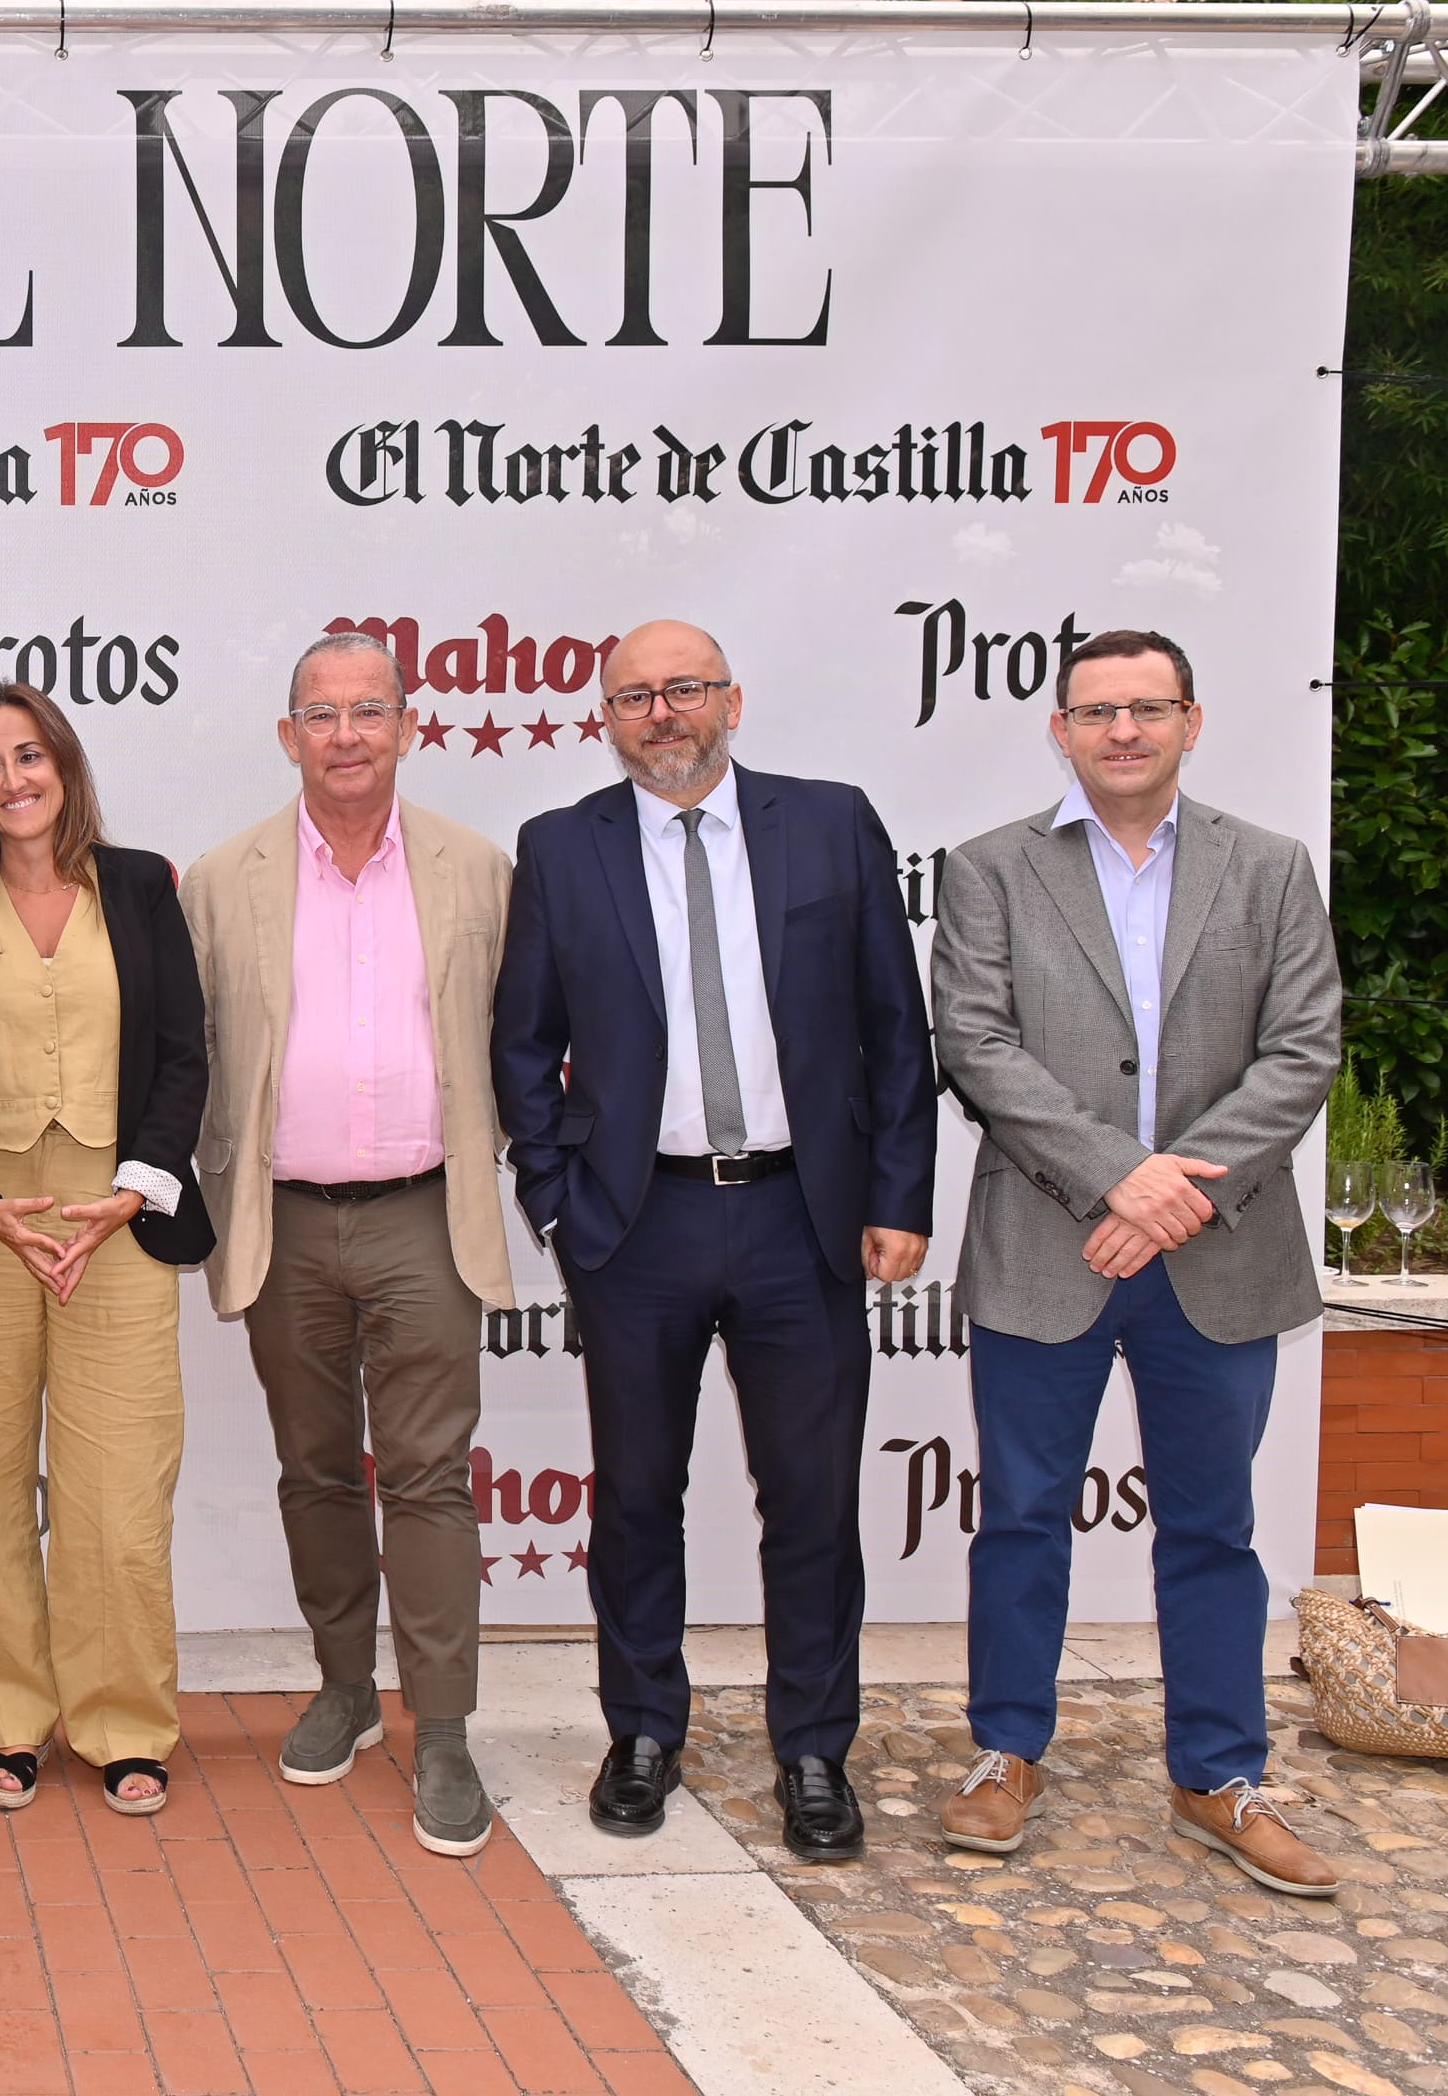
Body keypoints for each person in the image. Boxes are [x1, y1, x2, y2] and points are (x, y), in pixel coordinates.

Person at [490, 619, 937, 1862]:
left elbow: (894, 1029)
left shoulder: (828, 822)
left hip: (803, 1215)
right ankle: (641, 1730)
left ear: (730, 700)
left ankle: (811, 1750)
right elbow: (520, 1043)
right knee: (635, 1496)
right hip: (637, 1226)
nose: (660, 714)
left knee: (807, 1500)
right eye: (632, 696)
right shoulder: (560, 847)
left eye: (682, 689)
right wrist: (553, 1198)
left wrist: (897, 1195)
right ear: (604, 718)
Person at [928, 628, 1344, 1894]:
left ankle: (1218, 1776)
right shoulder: (989, 869)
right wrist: (1119, 1176)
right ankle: (1005, 1756)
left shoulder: (1268, 868)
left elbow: (1304, 1046)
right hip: (1047, 1245)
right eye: (1095, 710)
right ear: (1057, 727)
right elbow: (976, 1045)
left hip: (1215, 1255)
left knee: (1213, 1529)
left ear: (1189, 721)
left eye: (1145, 708)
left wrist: (1171, 1196)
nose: (1121, 730)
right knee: (1019, 1522)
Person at [183, 631, 516, 1856]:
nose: (343, 736)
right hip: (282, 1218)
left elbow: (518, 1045)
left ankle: (441, 1732)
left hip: (426, 1216)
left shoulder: (477, 870)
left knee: (426, 1475)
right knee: (316, 1469)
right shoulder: (222, 878)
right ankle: (340, 1688)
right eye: (318, 715)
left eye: (366, 711)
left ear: (407, 726)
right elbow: (195, 1055)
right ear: (286, 735)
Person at [0, 685, 214, 1817]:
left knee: (116, 1494)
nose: (12, 779)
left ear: (63, 766)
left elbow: (184, 1053)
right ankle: (7, 1721)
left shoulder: (136, 885)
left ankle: (123, 1722)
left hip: (116, 1221)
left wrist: (134, 1190)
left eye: (29, 755)